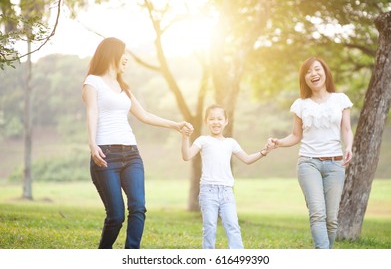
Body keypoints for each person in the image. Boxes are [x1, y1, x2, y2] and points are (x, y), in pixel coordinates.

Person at [82, 37, 193, 249]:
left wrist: (175, 125)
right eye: (123, 53)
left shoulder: (123, 87)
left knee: (138, 208)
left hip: (131, 154)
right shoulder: (92, 82)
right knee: (116, 216)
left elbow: (144, 115)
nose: (126, 59)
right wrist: (92, 144)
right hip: (105, 154)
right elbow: (92, 112)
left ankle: (131, 255)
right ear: (111, 54)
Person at [267, 56, 354, 249]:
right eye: (307, 72)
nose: (313, 74)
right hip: (308, 163)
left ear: (325, 72)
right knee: (317, 214)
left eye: (316, 69)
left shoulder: (341, 100)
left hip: (335, 164)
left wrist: (348, 147)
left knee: (331, 219)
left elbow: (346, 129)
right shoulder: (301, 104)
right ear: (304, 79)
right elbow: (296, 135)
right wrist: (278, 142)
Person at [181, 104, 272, 249]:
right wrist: (185, 137)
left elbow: (247, 159)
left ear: (226, 121)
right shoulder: (202, 140)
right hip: (208, 191)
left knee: (232, 226)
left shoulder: (231, 143)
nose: (216, 122)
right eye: (211, 119)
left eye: (219, 119)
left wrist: (264, 152)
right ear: (206, 121)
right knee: (209, 227)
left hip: (226, 192)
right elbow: (186, 156)